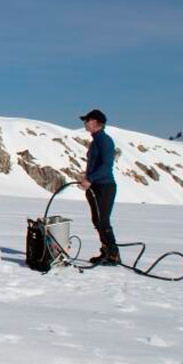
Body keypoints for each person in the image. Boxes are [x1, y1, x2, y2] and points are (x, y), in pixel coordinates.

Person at [78, 109, 121, 266]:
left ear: (96, 123)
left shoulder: (104, 140)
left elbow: (106, 165)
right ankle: (106, 251)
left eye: (87, 120)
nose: (85, 123)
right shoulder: (96, 141)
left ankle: (113, 254)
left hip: (105, 186)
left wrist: (90, 178)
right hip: (95, 187)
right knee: (97, 220)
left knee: (103, 220)